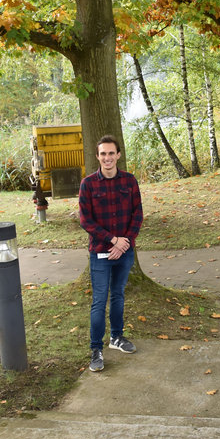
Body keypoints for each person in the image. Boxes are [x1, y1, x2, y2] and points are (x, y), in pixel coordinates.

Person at [78, 135, 144, 372]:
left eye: (111, 153)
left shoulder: (129, 181)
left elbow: (138, 214)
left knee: (118, 295)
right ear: (98, 156)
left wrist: (124, 243)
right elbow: (85, 221)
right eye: (103, 154)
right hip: (100, 253)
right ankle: (96, 349)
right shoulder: (88, 184)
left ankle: (116, 337)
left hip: (124, 252)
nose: (107, 158)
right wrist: (113, 240)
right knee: (99, 301)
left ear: (118, 155)